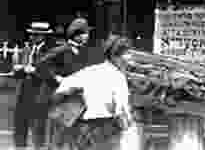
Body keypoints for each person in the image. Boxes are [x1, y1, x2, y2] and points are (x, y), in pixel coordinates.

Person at [52, 35, 133, 150]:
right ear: (115, 56)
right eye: (127, 53)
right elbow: (120, 110)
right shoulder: (118, 77)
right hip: (107, 130)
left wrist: (74, 101)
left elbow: (63, 87)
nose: (130, 58)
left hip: (84, 129)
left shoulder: (90, 71)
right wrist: (127, 125)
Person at [36, 17, 93, 147]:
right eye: (85, 33)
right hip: (57, 99)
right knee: (57, 136)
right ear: (76, 35)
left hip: (72, 100)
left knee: (71, 135)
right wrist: (56, 78)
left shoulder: (83, 53)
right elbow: (40, 64)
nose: (87, 37)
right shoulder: (61, 50)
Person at [13, 22, 53, 150]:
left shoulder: (50, 51)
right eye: (31, 34)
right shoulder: (27, 49)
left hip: (39, 92)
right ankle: (19, 146)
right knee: (20, 123)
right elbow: (21, 70)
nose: (32, 37)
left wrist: (34, 71)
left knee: (38, 125)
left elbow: (50, 73)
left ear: (43, 36)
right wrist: (18, 69)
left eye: (36, 35)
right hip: (24, 91)